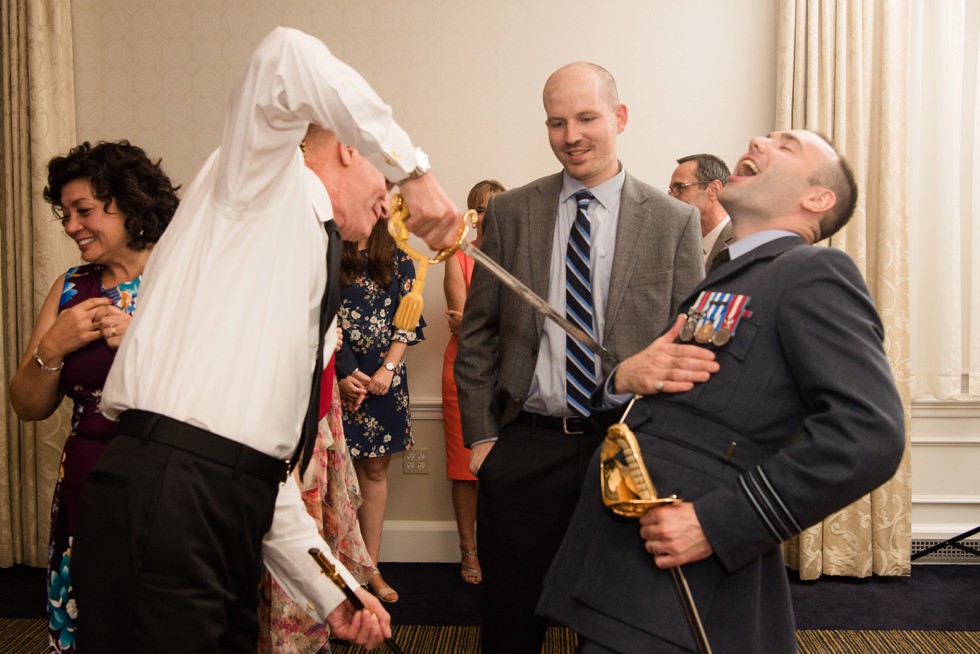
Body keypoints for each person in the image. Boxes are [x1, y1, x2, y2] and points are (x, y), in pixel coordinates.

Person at [70, 27, 460, 654]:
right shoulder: (260, 180)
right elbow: (284, 53)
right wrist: (412, 168)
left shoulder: (316, 265)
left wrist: (330, 591)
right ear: (351, 151)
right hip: (165, 493)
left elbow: (259, 468)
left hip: (222, 502)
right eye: (384, 184)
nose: (391, 205)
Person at [538, 130, 906, 653]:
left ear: (817, 199)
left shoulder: (811, 271)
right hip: (627, 561)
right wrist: (621, 382)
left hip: (687, 571)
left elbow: (871, 434)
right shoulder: (728, 277)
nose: (759, 139)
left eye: (786, 145)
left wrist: (716, 524)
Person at [454, 62, 704, 653]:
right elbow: (478, 334)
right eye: (557, 122)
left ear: (619, 118)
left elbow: (686, 346)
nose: (572, 136)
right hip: (526, 451)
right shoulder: (512, 212)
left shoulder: (674, 221)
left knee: (623, 627)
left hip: (628, 451)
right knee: (511, 623)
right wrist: (485, 442)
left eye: (587, 118)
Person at [8, 140, 179, 653]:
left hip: (172, 480)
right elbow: (27, 406)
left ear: (129, 203)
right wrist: (52, 348)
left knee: (165, 620)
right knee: (95, 619)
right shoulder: (70, 288)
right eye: (66, 214)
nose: (70, 226)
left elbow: (231, 379)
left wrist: (146, 341)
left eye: (83, 210)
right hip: (88, 481)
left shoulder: (184, 279)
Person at [335, 219, 425, 604]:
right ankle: (337, 573)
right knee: (334, 479)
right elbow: (319, 319)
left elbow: (408, 320)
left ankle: (369, 568)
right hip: (337, 377)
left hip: (386, 382)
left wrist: (387, 370)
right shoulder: (328, 252)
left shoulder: (400, 255)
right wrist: (343, 373)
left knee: (374, 472)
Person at [442, 179, 505, 586]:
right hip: (461, 372)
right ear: (471, 213)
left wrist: (480, 326)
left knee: (506, 468)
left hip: (511, 373)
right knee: (465, 469)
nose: (487, 215)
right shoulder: (457, 254)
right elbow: (459, 321)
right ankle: (469, 550)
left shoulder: (519, 256)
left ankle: (502, 550)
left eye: (495, 207)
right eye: (480, 208)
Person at [668, 153, 734, 271]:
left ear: (714, 189)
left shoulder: (743, 243)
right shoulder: (677, 246)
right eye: (671, 190)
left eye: (680, 187)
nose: (671, 198)